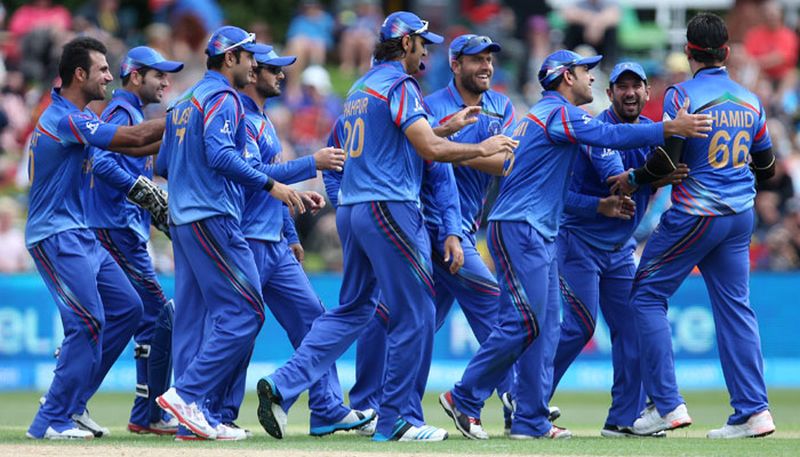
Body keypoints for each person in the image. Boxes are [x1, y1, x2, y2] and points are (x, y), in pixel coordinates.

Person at [255, 11, 518, 442]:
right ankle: (397, 417)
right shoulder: (400, 85)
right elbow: (429, 150)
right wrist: (479, 147)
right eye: (423, 44)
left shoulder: (360, 88)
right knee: (415, 312)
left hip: (355, 212)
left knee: (354, 309)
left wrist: (442, 128)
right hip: (391, 208)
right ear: (406, 43)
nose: (426, 53)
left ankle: (284, 386)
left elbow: (387, 143)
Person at [438, 48, 712, 440]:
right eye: (587, 72)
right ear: (567, 77)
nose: (592, 79)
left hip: (537, 229)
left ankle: (531, 418)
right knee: (527, 321)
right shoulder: (559, 113)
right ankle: (465, 397)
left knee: (547, 327)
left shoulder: (548, 113)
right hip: (522, 227)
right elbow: (609, 135)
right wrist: (667, 130)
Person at [607, 13, 777, 439]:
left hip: (695, 213)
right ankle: (753, 412)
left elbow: (666, 161)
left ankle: (667, 405)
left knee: (645, 295)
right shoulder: (750, 99)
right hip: (739, 217)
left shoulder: (681, 94)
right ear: (727, 52)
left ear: (689, 52)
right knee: (736, 309)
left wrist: (630, 180)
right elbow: (768, 167)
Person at [153, 25, 307, 441]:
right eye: (249, 57)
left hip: (183, 219)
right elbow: (220, 154)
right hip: (214, 216)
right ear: (230, 59)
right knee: (246, 313)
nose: (255, 64)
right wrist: (271, 185)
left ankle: (193, 417)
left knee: (193, 319)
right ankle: (187, 397)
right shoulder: (224, 98)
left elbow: (161, 165)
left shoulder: (183, 101)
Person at [210, 47, 373, 438]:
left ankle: (327, 409)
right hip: (245, 239)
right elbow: (252, 173)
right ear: (252, 74)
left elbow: (273, 188)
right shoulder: (242, 118)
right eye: (273, 70)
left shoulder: (263, 120)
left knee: (315, 319)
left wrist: (289, 231)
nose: (282, 76)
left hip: (273, 244)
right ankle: (217, 413)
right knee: (239, 326)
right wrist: (310, 163)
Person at [25, 36, 166, 440]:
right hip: (55, 234)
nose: (110, 76)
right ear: (80, 74)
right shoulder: (65, 118)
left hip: (80, 232)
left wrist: (177, 133)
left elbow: (140, 141)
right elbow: (134, 140)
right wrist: (183, 118)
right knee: (87, 321)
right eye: (103, 69)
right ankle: (50, 420)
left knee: (128, 309)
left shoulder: (76, 117)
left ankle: (72, 405)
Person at [548, 61, 686, 438]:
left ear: (646, 92)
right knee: (579, 325)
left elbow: (669, 165)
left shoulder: (648, 131)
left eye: (635, 86)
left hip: (620, 248)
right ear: (609, 94)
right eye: (620, 87)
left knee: (633, 329)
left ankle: (623, 419)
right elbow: (618, 185)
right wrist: (658, 172)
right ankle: (528, 401)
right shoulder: (597, 129)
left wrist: (669, 162)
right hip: (579, 242)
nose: (629, 93)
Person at [83, 45, 184, 436]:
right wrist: (145, 191)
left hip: (120, 228)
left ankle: (143, 413)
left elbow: (140, 176)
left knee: (138, 321)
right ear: (135, 76)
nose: (166, 82)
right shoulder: (123, 113)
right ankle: (146, 413)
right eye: (158, 75)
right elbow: (103, 163)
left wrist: (157, 209)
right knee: (160, 316)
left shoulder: (132, 115)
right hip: (114, 230)